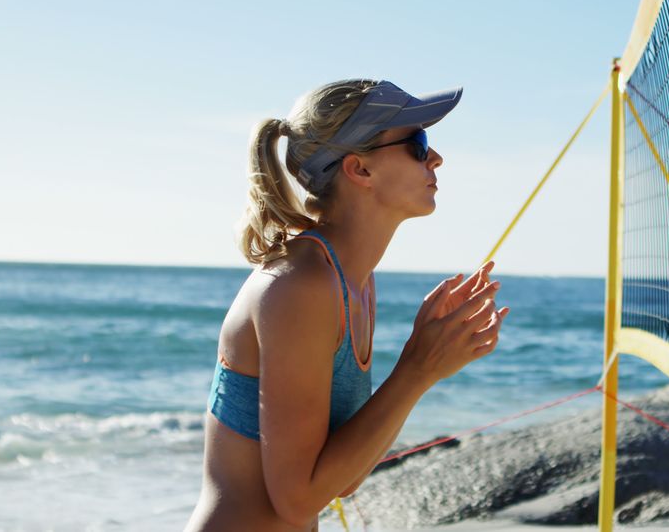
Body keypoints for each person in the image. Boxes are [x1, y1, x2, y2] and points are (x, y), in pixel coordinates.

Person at [185, 79, 510, 532]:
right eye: (418, 144)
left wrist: (426, 358)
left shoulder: (353, 280)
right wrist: (418, 369)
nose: (436, 158)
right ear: (359, 169)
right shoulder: (302, 286)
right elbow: (297, 502)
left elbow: (343, 479)